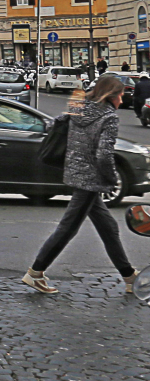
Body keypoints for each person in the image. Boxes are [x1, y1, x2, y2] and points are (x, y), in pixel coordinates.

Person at [22, 75, 140, 295]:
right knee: (68, 228)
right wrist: (111, 179)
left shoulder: (79, 107)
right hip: (91, 180)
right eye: (120, 95)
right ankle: (35, 272)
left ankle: (129, 276)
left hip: (75, 172)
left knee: (108, 227)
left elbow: (54, 123)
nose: (122, 100)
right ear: (111, 96)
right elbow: (104, 155)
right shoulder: (108, 118)